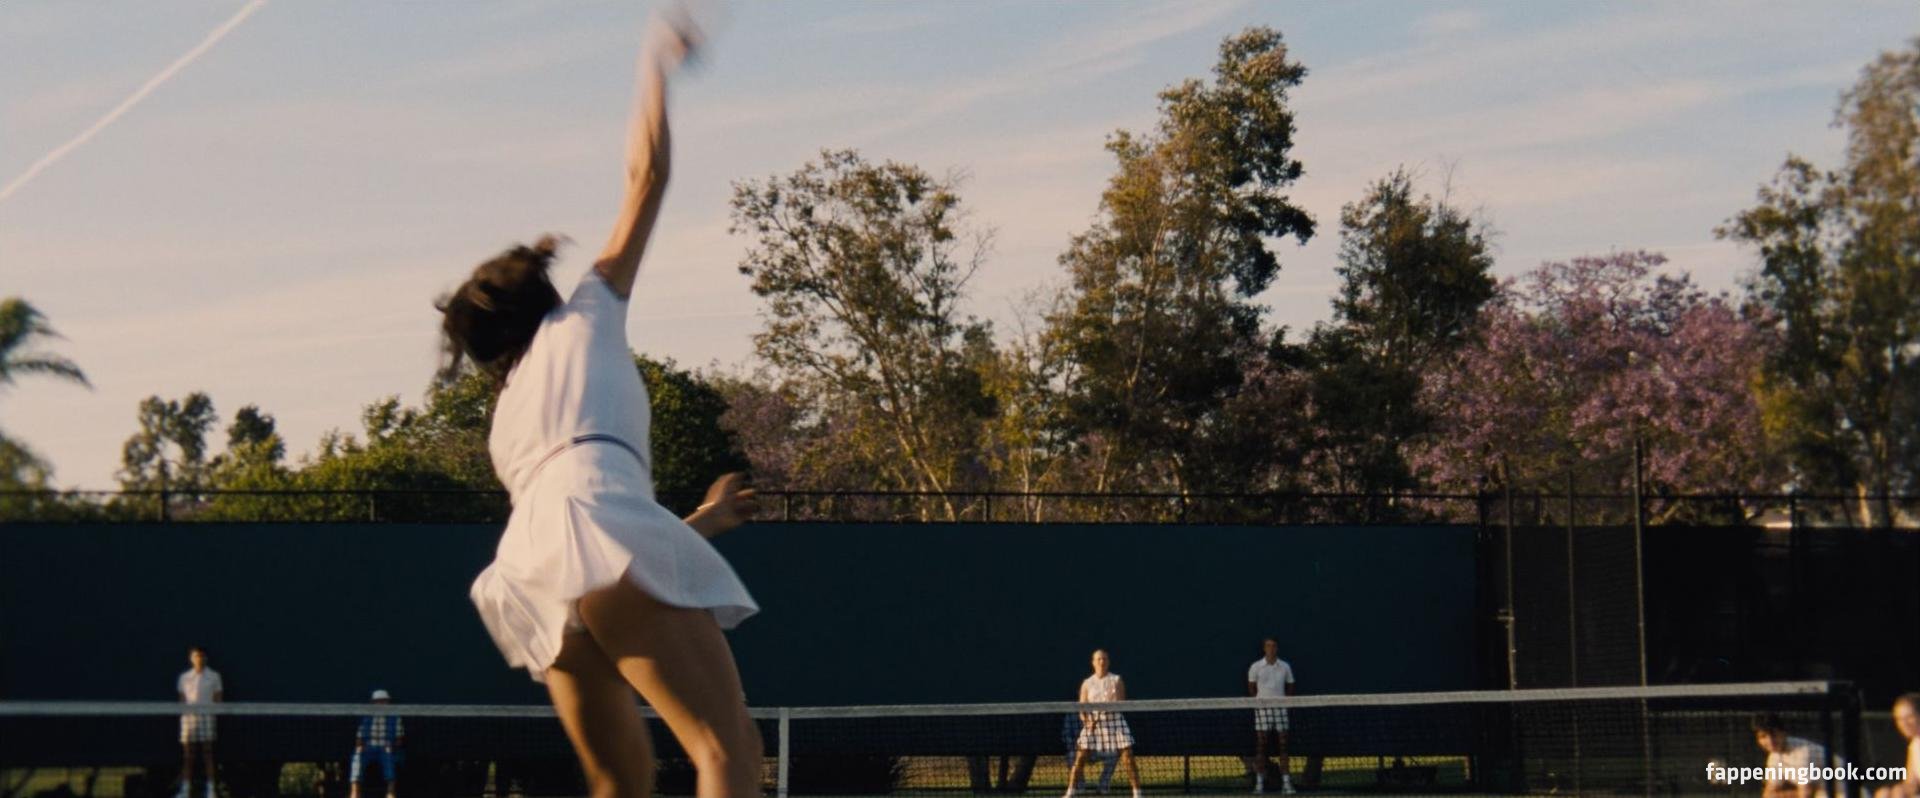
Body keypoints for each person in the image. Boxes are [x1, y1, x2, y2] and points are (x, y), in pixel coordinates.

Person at [449, 10, 763, 798]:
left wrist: (702, 523)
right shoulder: (584, 313)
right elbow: (645, 178)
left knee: (620, 784)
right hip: (599, 537)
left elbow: (581, 546)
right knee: (727, 751)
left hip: (534, 577)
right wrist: (655, 67)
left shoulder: (507, 423)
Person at [1064, 650, 1141, 798]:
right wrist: (1087, 721)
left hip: (1116, 723)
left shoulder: (1117, 680)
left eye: (1104, 659)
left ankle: (1137, 793)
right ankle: (1070, 792)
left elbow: (1122, 703)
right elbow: (1082, 709)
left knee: (1128, 757)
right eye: (1098, 659)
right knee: (1080, 757)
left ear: (1108, 662)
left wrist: (1111, 706)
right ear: (1093, 662)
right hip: (1093, 725)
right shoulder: (1087, 683)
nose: (1101, 661)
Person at [1246, 638, 1295, 795]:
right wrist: (1260, 703)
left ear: (1277, 648)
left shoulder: (1285, 666)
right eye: (1268, 646)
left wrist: (1284, 702)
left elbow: (1290, 685)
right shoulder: (1255, 667)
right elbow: (1251, 688)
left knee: (1284, 746)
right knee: (1261, 746)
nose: (1271, 648)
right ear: (1264, 648)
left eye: (1273, 646)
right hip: (1262, 711)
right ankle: (1259, 784)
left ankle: (1286, 784)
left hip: (1281, 710)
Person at [1752, 712, 1840, 798]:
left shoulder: (1803, 752)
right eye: (1763, 736)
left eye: (1774, 735)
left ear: (1784, 733)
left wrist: (1780, 795)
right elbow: (1768, 794)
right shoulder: (1774, 757)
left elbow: (1807, 794)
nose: (1770, 741)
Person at [176, 645, 223, 798]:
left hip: (207, 718)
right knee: (188, 756)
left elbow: (218, 699)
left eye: (201, 656)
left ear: (205, 658)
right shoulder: (184, 678)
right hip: (189, 720)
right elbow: (182, 700)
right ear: (191, 658)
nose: (199, 659)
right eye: (196, 656)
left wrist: (211, 713)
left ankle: (211, 791)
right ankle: (185, 790)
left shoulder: (214, 676)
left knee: (208, 755)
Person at [350, 689, 404, 798]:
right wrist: (360, 747)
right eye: (378, 701)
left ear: (388, 702)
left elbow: (399, 739)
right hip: (368, 748)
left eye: (383, 701)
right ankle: (355, 793)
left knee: (389, 759)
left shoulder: (395, 718)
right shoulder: (366, 718)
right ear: (373, 702)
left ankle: (390, 792)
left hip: (386, 749)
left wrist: (392, 746)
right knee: (357, 757)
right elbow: (359, 738)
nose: (381, 704)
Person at [1875, 693, 1920, 798]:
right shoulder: (1915, 745)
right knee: (1884, 794)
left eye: (1909, 717)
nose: (1904, 723)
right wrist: (1896, 790)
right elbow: (1911, 783)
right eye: (1899, 719)